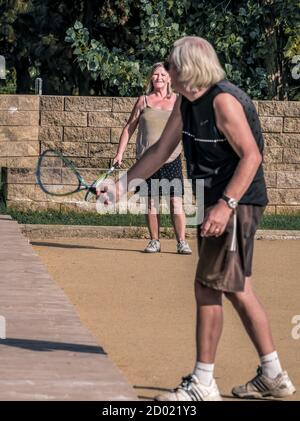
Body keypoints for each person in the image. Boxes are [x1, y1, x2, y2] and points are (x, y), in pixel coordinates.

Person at [99, 37, 296, 401]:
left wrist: (225, 205)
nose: (165, 72)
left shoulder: (222, 101)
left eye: (170, 66)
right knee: (236, 288)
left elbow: (252, 157)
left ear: (186, 69)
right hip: (215, 199)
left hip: (236, 201)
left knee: (208, 285)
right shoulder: (187, 104)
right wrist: (120, 187)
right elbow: (159, 152)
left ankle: (203, 383)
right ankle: (273, 374)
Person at [113, 62, 192, 255]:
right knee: (151, 202)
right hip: (146, 161)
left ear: (170, 79)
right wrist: (119, 153)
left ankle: (182, 242)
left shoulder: (179, 101)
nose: (159, 78)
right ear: (151, 78)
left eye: (163, 75)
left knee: (175, 202)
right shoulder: (143, 101)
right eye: (156, 75)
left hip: (171, 159)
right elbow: (129, 127)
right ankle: (154, 241)